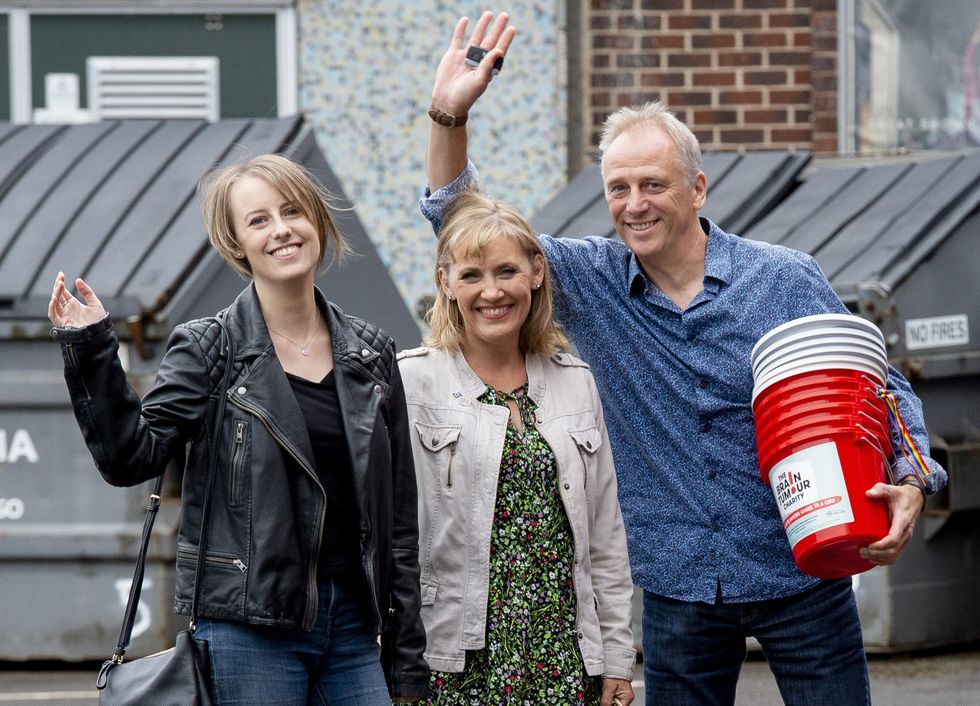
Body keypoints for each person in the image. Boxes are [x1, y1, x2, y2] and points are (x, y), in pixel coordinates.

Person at [418, 13, 949, 706]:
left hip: (800, 570)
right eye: (618, 188)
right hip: (679, 585)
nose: (633, 205)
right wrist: (447, 117)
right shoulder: (590, 278)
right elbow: (467, 230)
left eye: (653, 185)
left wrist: (912, 477)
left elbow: (878, 384)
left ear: (697, 189)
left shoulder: (782, 279)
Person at [48, 153, 429, 705]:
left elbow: (398, 521)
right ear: (237, 244)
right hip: (249, 627)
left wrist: (406, 657)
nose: (281, 230)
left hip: (352, 625)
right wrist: (90, 348)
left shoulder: (370, 353)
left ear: (317, 220)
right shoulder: (209, 348)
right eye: (258, 220)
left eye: (292, 211)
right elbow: (131, 457)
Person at [398, 190, 636, 706]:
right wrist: (395, 658)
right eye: (472, 275)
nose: (492, 292)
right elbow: (387, 539)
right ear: (446, 281)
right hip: (452, 660)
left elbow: (606, 541)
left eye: (506, 271)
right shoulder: (412, 384)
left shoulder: (578, 384)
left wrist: (617, 658)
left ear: (536, 272)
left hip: (563, 658)